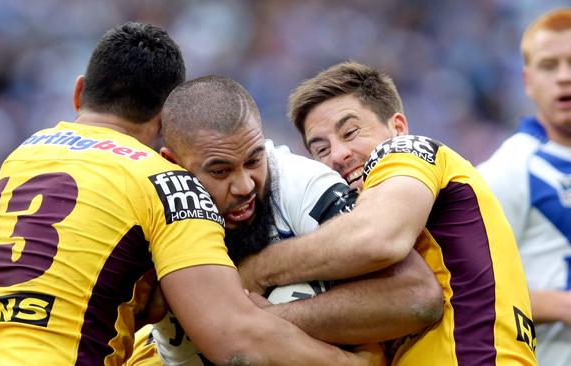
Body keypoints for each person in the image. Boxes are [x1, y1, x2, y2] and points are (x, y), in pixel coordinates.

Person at [0, 23, 372, 366]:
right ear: (170, 119)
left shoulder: (21, 157)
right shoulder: (165, 181)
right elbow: (235, 339)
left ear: (80, 93)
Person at [126, 75, 444, 365]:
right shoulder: (148, 205)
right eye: (220, 171)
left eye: (253, 160)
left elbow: (417, 295)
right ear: (173, 163)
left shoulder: (297, 182)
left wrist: (267, 311)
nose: (244, 186)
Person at [236, 61, 539, 365]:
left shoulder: (408, 149)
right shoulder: (355, 240)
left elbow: (376, 238)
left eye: (350, 132)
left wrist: (259, 271)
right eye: (321, 150)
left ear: (397, 127)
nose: (338, 155)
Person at [476, 8, 571, 366]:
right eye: (550, 66)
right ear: (528, 81)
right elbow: (464, 286)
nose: (565, 77)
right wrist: (561, 305)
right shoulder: (509, 170)